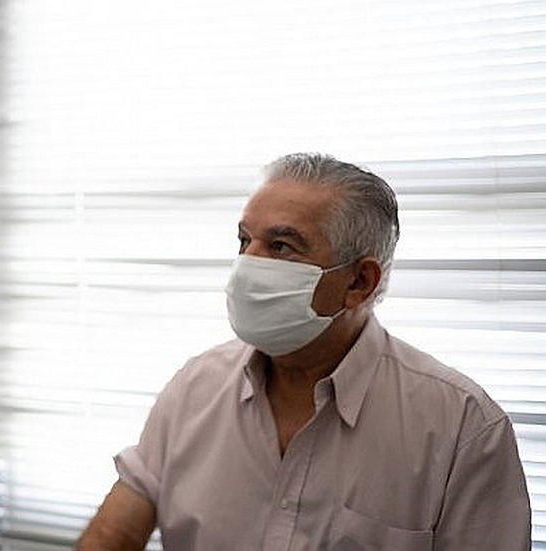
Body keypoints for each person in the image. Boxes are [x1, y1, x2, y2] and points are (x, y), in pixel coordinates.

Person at [77, 153, 532, 550]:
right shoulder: (195, 387)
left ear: (359, 282)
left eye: (280, 246)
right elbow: (115, 533)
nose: (247, 265)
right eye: (244, 241)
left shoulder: (461, 428)